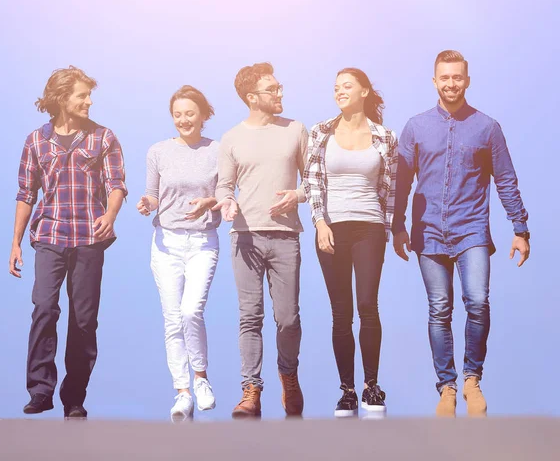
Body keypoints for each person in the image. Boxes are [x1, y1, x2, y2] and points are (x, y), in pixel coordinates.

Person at [393, 50, 530, 417]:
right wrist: (397, 226)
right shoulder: (416, 127)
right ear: (434, 81)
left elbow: (505, 179)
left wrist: (520, 229)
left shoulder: (487, 127)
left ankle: (472, 379)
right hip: (428, 232)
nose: (451, 83)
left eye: (457, 77)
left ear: (467, 81)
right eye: (444, 77)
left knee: (478, 301)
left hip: (471, 231)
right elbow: (401, 181)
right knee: (439, 309)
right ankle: (447, 387)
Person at [9, 66, 128, 419]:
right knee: (44, 308)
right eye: (82, 95)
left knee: (84, 320)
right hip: (48, 237)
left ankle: (74, 397)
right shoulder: (35, 141)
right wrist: (15, 242)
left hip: (90, 239)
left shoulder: (103, 137)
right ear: (62, 98)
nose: (89, 101)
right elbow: (25, 194)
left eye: (89, 95)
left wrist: (111, 215)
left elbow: (117, 184)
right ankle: (40, 390)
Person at [213, 62, 307, 418]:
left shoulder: (296, 130)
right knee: (250, 317)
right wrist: (228, 200)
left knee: (287, 319)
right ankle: (251, 392)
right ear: (252, 97)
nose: (280, 93)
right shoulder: (232, 138)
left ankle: (288, 375)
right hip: (245, 238)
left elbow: (313, 180)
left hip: (285, 237)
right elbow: (224, 185)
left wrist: (297, 196)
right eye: (273, 89)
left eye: (280, 87)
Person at [303, 68, 398, 417]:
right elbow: (311, 183)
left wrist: (387, 230)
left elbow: (390, 188)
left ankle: (372, 387)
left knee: (368, 305)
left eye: (347, 86)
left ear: (364, 91)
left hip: (369, 228)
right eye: (336, 88)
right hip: (331, 227)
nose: (340, 92)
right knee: (340, 313)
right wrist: (319, 223)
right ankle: (347, 391)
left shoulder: (385, 137)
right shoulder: (321, 132)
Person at [136, 86, 220, 423]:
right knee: (172, 318)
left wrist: (210, 202)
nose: (183, 120)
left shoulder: (218, 150)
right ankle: (182, 392)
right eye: (178, 115)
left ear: (202, 114)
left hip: (202, 242)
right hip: (165, 243)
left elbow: (226, 192)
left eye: (189, 113)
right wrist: (146, 203)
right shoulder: (158, 151)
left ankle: (201, 378)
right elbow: (153, 194)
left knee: (190, 312)